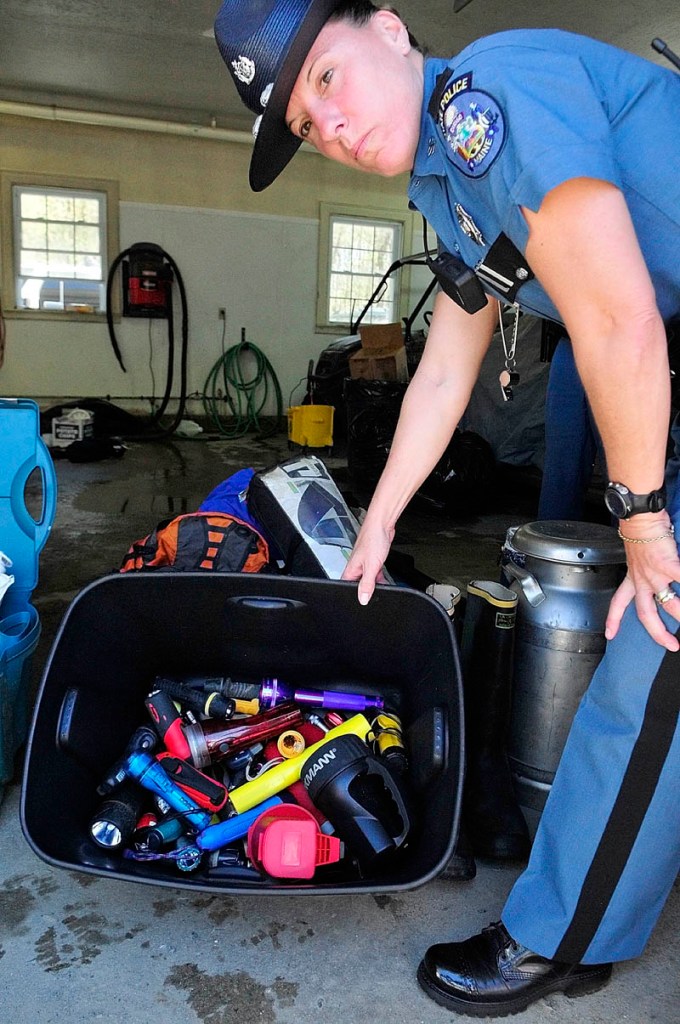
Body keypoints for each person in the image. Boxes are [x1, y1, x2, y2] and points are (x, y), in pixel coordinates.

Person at [213, 1, 680, 1016]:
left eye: (324, 78)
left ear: (385, 28)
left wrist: (642, 522)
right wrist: (376, 522)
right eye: (303, 122)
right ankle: (593, 910)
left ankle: (559, 937)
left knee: (652, 650)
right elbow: (441, 374)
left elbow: (612, 314)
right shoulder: (445, 182)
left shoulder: (486, 95)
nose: (326, 126)